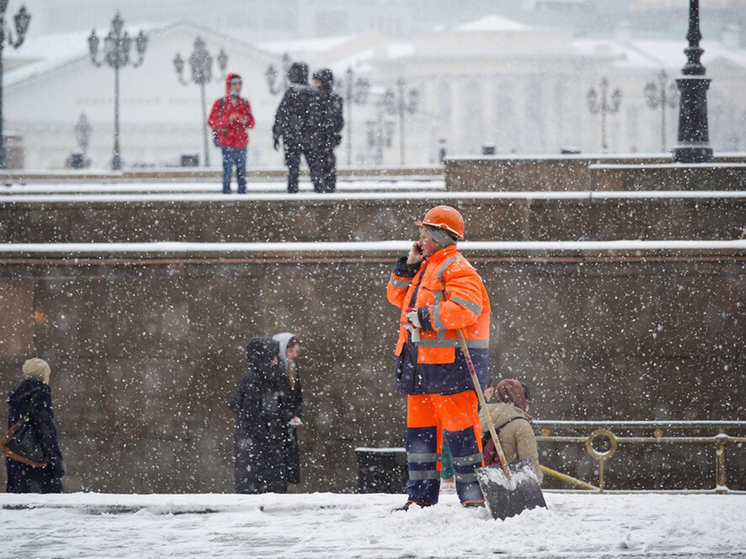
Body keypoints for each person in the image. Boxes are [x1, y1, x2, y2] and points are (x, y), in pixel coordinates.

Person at [387, 205, 491, 510]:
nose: (419, 239)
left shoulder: (457, 268)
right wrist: (407, 265)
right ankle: (419, 497)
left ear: (440, 237)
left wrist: (424, 318)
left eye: (423, 234)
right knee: (420, 438)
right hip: (419, 366)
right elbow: (395, 297)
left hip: (450, 368)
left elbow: (465, 309)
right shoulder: (425, 266)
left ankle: (474, 498)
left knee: (461, 435)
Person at [227, 337, 289, 494]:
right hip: (258, 446)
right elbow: (250, 415)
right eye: (272, 356)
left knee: (269, 486)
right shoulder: (254, 380)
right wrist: (268, 434)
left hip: (265, 444)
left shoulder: (268, 378)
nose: (276, 360)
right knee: (257, 486)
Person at [5, 358, 65, 493]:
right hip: (38, 457)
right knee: (51, 503)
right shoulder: (41, 393)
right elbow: (45, 428)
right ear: (44, 375)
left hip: (17, 454)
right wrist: (55, 459)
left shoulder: (17, 394)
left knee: (19, 503)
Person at [479, 379, 543, 483]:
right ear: (522, 399)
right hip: (511, 485)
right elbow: (529, 462)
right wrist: (538, 480)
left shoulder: (482, 417)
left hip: (485, 482)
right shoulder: (521, 424)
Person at [272, 62, 322, 193]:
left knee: (293, 170)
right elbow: (321, 116)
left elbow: (281, 114)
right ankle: (320, 193)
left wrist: (277, 134)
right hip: (310, 137)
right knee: (315, 168)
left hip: (292, 136)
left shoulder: (292, 91)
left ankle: (292, 195)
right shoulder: (314, 92)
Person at [208, 72, 255, 194]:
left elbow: (251, 123)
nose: (237, 87)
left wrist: (244, 120)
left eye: (239, 84)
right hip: (227, 143)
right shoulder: (221, 103)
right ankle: (226, 199)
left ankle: (243, 200)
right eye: (234, 84)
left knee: (242, 175)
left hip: (241, 143)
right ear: (229, 85)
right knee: (227, 173)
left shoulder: (244, 103)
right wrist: (227, 120)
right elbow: (212, 122)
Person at [273, 332, 303, 486]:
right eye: (291, 351)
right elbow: (278, 400)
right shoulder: (276, 372)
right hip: (279, 426)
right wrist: (289, 415)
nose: (294, 355)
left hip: (288, 424)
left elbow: (297, 397)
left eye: (297, 352)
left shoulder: (292, 370)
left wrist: (297, 415)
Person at [311, 69, 344, 193]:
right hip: (319, 138)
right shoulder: (315, 97)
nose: (315, 84)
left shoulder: (332, 98)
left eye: (317, 81)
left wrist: (331, 130)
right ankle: (322, 190)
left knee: (325, 165)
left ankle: (326, 191)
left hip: (325, 138)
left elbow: (338, 120)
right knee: (319, 165)